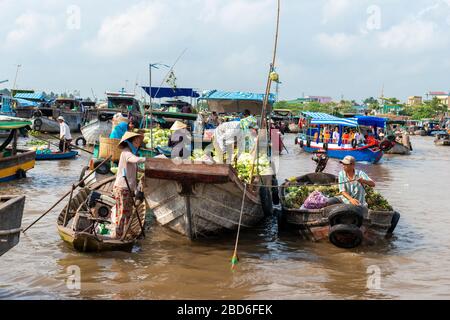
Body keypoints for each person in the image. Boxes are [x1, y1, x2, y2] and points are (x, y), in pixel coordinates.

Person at [113, 132, 146, 239]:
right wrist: (148, 159)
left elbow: (136, 167)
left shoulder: (130, 152)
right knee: (122, 212)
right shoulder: (126, 152)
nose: (139, 143)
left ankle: (128, 230)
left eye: (139, 141)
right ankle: (118, 235)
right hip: (123, 187)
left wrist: (146, 170)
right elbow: (135, 160)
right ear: (132, 141)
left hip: (128, 187)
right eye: (137, 141)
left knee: (128, 211)